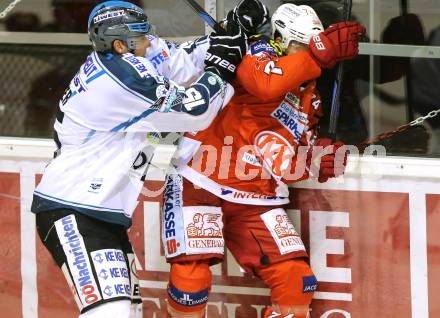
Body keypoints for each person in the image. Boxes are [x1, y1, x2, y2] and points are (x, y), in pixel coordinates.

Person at [30, 1, 247, 317]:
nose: (150, 41)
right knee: (112, 313)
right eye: (142, 36)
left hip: (101, 213)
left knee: (127, 313)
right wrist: (220, 69)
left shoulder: (126, 58)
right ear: (120, 44)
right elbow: (194, 111)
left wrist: (234, 27)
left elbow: (181, 61)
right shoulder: (120, 81)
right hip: (73, 209)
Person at [161, 2, 365, 318]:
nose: (300, 53)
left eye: (307, 47)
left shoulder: (310, 94)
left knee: (296, 281)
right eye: (297, 45)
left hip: (256, 198)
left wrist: (315, 161)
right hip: (199, 179)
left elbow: (287, 160)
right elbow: (263, 83)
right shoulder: (254, 51)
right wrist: (314, 56)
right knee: (191, 279)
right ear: (280, 38)